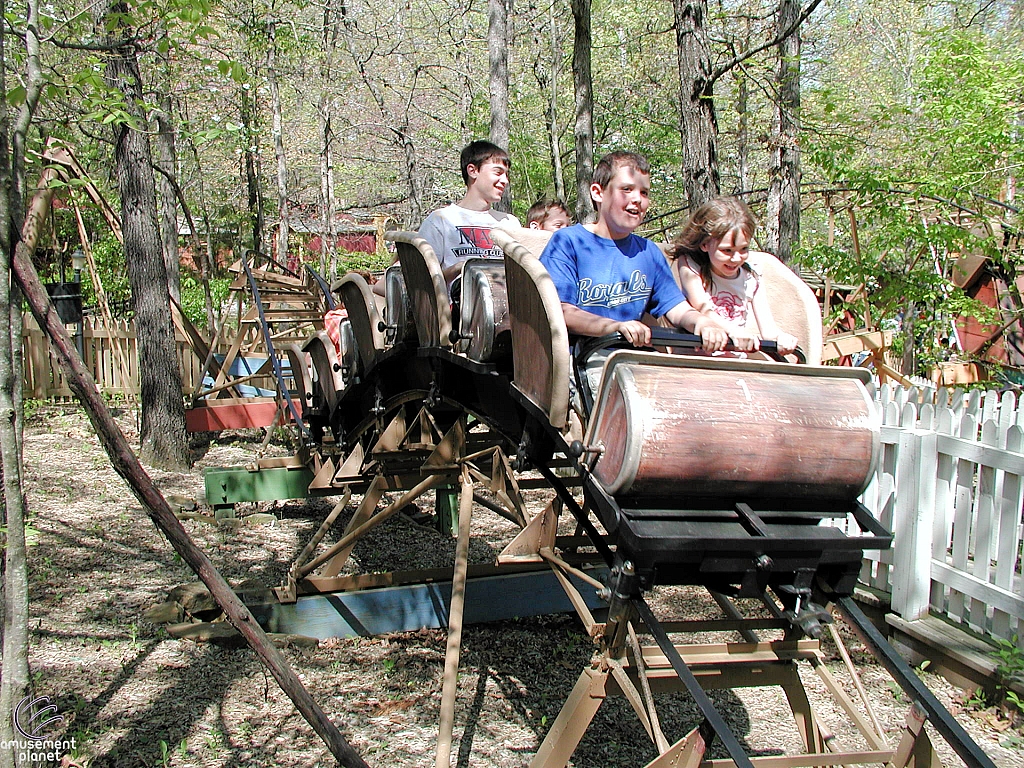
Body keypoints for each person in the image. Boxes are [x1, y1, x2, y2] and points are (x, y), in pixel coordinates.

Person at [539, 151, 734, 394]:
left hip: (636, 358)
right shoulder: (568, 242)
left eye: (644, 193)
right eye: (627, 189)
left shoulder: (648, 253)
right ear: (598, 193)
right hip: (587, 357)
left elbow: (677, 308)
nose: (637, 200)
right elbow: (561, 311)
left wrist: (703, 323)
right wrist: (614, 326)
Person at [668, 197, 798, 355]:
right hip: (694, 359)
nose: (736, 258)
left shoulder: (751, 277)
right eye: (727, 250)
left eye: (743, 249)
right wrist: (734, 331)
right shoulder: (691, 266)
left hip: (731, 361)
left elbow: (768, 331)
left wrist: (781, 338)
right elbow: (702, 308)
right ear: (704, 244)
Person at [417, 140, 521, 286]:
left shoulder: (510, 222)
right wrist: (461, 268)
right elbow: (421, 282)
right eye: (498, 172)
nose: (505, 180)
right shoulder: (440, 220)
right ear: (473, 171)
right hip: (458, 305)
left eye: (506, 174)